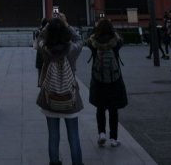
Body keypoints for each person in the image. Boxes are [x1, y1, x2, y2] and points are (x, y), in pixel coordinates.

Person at [36, 17, 84, 165]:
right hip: (70, 98)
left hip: (50, 97)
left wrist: (47, 28)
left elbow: (40, 38)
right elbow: (79, 39)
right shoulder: (71, 50)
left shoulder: (45, 49)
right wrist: (66, 25)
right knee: (73, 136)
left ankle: (54, 162)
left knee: (53, 136)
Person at [87, 18, 128, 148]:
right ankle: (113, 138)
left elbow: (88, 41)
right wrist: (113, 31)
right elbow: (121, 40)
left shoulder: (94, 43)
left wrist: (95, 32)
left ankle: (101, 133)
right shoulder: (115, 43)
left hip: (98, 80)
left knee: (100, 108)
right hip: (114, 80)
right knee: (113, 110)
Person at [33, 17, 49, 85]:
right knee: (47, 68)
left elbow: (37, 38)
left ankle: (40, 82)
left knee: (40, 68)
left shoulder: (38, 31)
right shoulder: (47, 31)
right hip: (46, 51)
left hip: (40, 52)